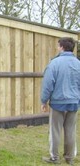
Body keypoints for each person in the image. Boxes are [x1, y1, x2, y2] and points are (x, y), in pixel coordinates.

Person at [40, 37, 80, 165]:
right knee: (71, 131)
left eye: (58, 46)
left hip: (58, 103)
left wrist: (43, 101)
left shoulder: (54, 63)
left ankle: (54, 158)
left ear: (62, 47)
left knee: (55, 131)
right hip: (74, 103)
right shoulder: (78, 64)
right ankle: (70, 158)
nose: (57, 48)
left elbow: (48, 85)